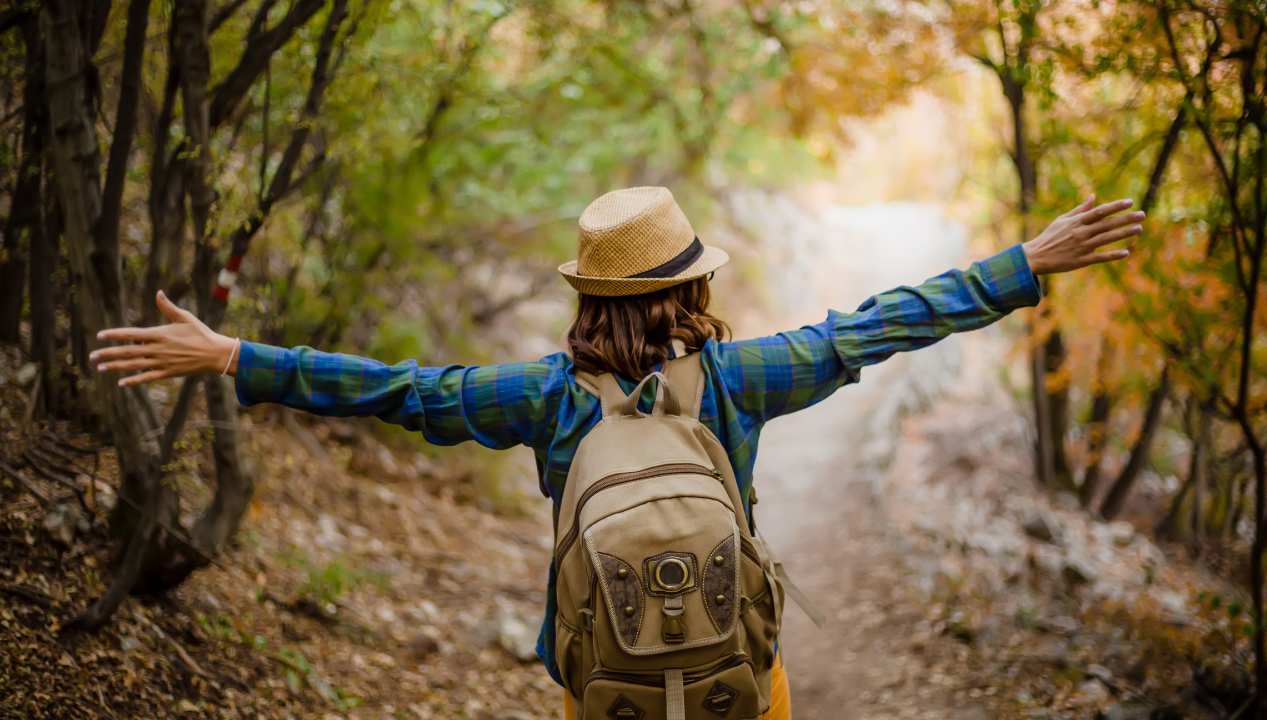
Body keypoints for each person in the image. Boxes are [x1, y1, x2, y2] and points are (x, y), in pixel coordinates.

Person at [89, 186, 1142, 717]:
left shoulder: (542, 398)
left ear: (587, 293)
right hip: (739, 666)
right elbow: (879, 324)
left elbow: (394, 391)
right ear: (691, 290)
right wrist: (1019, 265)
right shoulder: (741, 376)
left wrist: (236, 355)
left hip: (603, 674)